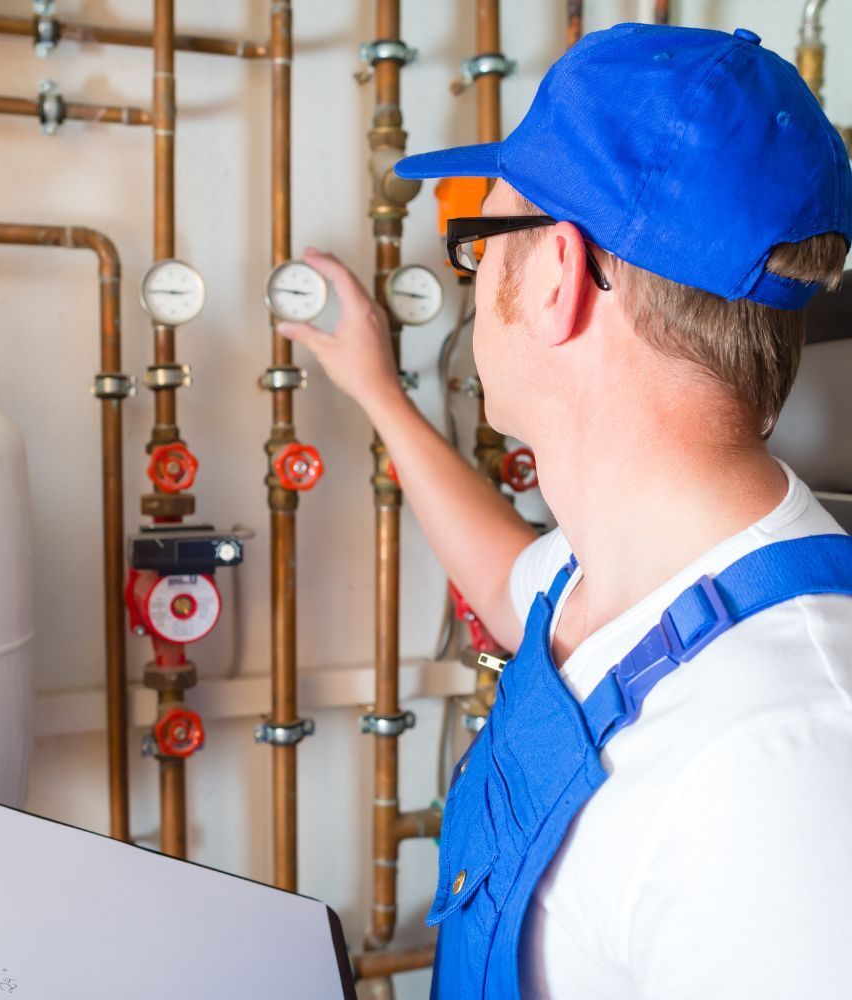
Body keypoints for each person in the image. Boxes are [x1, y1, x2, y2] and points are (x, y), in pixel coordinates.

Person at [280, 22, 852, 1000]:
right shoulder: (627, 568)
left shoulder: (780, 765)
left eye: (477, 246)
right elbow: (510, 583)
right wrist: (379, 392)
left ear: (556, 275)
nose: (472, 282)